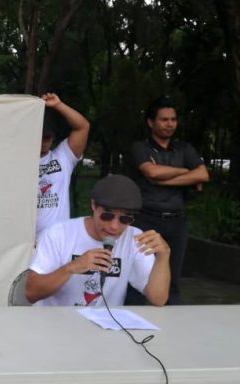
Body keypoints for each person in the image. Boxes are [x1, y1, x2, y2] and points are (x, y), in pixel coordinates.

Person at [26, 174, 170, 307]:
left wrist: (163, 256)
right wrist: (71, 268)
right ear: (93, 205)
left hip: (104, 322)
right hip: (57, 321)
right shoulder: (58, 234)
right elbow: (31, 293)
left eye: (125, 219)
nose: (114, 226)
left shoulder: (135, 238)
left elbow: (158, 299)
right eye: (107, 216)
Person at [127, 96, 208, 305]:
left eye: (173, 119)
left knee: (172, 278)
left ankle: (171, 320)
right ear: (150, 122)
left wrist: (164, 178)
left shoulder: (184, 148)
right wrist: (185, 171)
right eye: (164, 119)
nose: (170, 124)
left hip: (176, 221)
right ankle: (132, 317)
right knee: (138, 275)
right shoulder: (140, 147)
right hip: (145, 220)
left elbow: (203, 175)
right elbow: (151, 172)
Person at [36, 93, 90, 237]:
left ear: (53, 136)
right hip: (22, 240)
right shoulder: (17, 160)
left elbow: (83, 127)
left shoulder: (63, 157)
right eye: (39, 136)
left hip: (57, 239)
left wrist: (58, 105)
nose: (43, 141)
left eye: (47, 136)